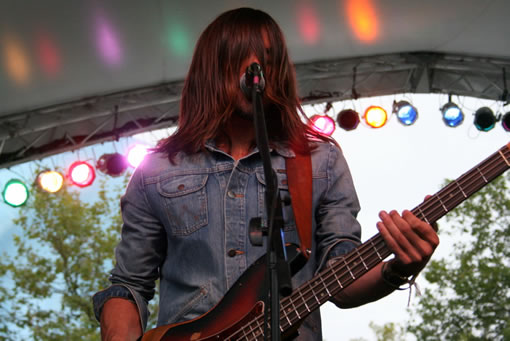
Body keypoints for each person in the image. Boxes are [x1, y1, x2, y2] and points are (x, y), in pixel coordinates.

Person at [93, 7, 439, 341]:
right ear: (213, 68)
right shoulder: (158, 170)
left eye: (267, 59)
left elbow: (341, 280)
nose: (256, 68)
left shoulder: (320, 161)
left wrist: (398, 269)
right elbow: (129, 284)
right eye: (242, 55)